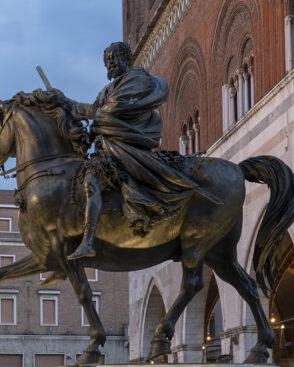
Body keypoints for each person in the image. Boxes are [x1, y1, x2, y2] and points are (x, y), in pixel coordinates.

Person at [48, 41, 221, 260]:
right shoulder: (107, 90)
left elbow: (114, 108)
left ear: (125, 59)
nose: (109, 64)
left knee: (91, 181)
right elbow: (92, 110)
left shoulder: (136, 78)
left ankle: (88, 241)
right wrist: (63, 101)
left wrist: (97, 122)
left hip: (124, 148)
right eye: (106, 61)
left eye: (113, 58)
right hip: (108, 150)